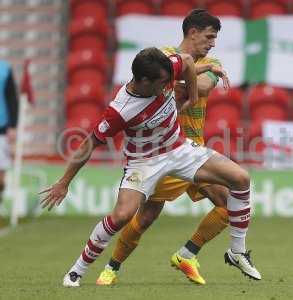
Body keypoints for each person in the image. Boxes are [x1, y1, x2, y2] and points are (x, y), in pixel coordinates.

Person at [40, 47, 261, 288]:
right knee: (123, 216)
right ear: (144, 81)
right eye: (164, 83)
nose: (168, 86)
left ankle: (236, 251)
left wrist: (194, 94)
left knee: (241, 178)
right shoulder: (120, 110)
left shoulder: (165, 68)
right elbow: (89, 143)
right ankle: (77, 271)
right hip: (143, 162)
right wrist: (64, 182)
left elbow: (186, 61)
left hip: (179, 149)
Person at [96, 9, 238, 286]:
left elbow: (205, 88)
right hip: (163, 150)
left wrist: (184, 77)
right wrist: (185, 77)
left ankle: (187, 254)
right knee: (146, 217)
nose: (212, 43)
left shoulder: (212, 61)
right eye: (209, 36)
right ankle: (112, 267)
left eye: (215, 38)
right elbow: (168, 86)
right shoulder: (160, 56)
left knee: (229, 203)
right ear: (192, 32)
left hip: (193, 150)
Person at [0, 60, 18, 216]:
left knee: (1, 175)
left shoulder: (5, 69)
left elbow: (12, 98)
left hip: (1, 128)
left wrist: (13, 125)